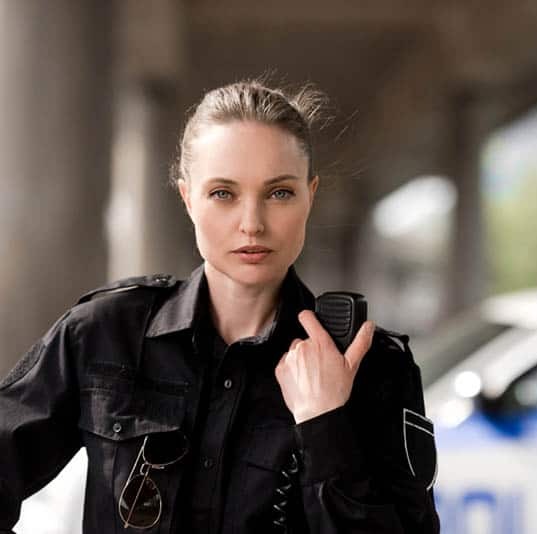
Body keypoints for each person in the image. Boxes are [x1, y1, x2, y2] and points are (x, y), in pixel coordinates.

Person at [0, 80, 440, 533]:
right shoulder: (104, 333)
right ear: (188, 197)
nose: (252, 224)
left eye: (280, 193)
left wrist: (325, 424)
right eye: (223, 194)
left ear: (311, 195)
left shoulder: (372, 365)